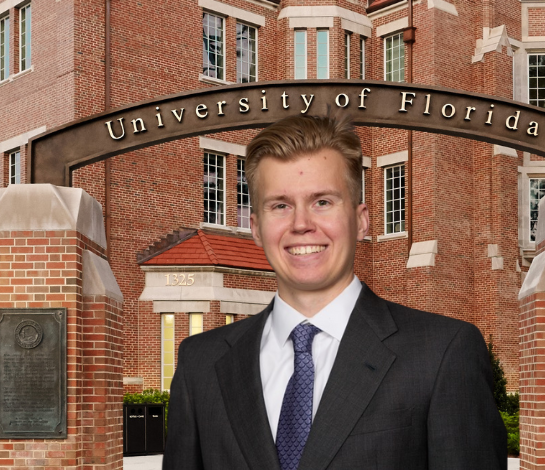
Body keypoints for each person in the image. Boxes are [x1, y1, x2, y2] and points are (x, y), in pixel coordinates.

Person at [162, 115, 507, 470]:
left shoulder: (442, 355)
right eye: (280, 205)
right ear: (256, 227)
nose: (301, 224)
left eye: (322, 202)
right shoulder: (200, 365)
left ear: (361, 220)